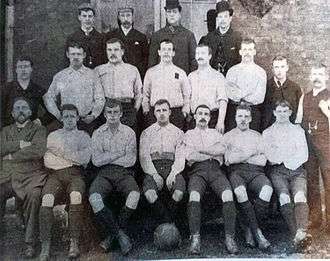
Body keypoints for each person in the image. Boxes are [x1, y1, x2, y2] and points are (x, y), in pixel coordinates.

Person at [39, 104, 91, 260]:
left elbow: (85, 159)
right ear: (61, 118)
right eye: (66, 116)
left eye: (72, 116)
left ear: (77, 118)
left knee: (76, 196)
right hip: (55, 175)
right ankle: (45, 247)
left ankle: (73, 243)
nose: (69, 119)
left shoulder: (84, 136)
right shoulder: (53, 136)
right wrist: (72, 158)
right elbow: (48, 160)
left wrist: (61, 154)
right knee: (47, 199)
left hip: (76, 175)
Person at [183, 105, 238, 254]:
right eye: (199, 113)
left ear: (209, 117)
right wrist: (210, 152)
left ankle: (229, 238)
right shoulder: (188, 134)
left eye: (206, 114)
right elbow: (189, 156)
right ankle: (195, 239)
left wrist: (200, 150)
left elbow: (221, 150)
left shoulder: (216, 133)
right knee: (194, 196)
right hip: (197, 171)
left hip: (215, 170)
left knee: (228, 194)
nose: (203, 116)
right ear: (194, 116)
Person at [88, 99, 140, 255]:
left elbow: (130, 160)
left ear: (121, 114)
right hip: (104, 173)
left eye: (115, 112)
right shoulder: (97, 133)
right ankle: (120, 235)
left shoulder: (129, 132)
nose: (112, 115)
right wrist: (118, 154)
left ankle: (112, 236)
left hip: (124, 172)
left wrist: (108, 156)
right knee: (94, 198)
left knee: (135, 195)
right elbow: (96, 161)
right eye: (109, 112)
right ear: (104, 114)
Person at [0, 97, 47, 258]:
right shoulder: (5, 130)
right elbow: (1, 148)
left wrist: (11, 156)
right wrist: (21, 144)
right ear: (12, 113)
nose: (21, 110)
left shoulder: (39, 130)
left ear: (30, 112)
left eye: (24, 107)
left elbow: (38, 150)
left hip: (31, 174)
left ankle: (30, 243)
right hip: (8, 175)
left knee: (34, 196)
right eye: (17, 108)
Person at [263, 100, 312, 250]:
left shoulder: (298, 131)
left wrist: (287, 159)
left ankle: (300, 233)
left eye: (285, 111)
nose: (282, 115)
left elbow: (303, 154)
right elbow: (270, 156)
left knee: (300, 197)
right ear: (274, 113)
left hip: (297, 170)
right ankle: (296, 234)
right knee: (284, 197)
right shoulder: (268, 132)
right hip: (278, 171)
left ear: (290, 112)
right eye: (279, 111)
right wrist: (283, 158)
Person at [224, 104, 272, 250]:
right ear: (235, 118)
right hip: (237, 172)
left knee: (267, 191)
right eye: (240, 116)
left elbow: (263, 160)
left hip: (257, 172)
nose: (243, 119)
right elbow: (229, 160)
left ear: (250, 118)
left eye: (246, 116)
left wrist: (241, 155)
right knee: (240, 192)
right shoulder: (228, 136)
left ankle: (249, 229)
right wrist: (251, 153)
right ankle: (258, 234)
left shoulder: (257, 136)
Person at [140, 99, 185, 226]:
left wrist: (173, 173)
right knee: (150, 194)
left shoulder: (178, 132)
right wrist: (154, 174)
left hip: (172, 166)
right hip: (153, 167)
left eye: (164, 110)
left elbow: (180, 157)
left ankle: (165, 225)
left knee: (179, 192)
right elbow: (144, 157)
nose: (161, 113)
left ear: (170, 112)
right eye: (158, 111)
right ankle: (168, 224)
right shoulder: (147, 133)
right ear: (154, 113)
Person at [44, 41, 105, 134]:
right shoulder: (60, 76)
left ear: (84, 55)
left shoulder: (93, 75)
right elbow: (48, 98)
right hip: (66, 121)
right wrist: (58, 115)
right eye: (73, 54)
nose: (76, 57)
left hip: (86, 122)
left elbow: (100, 98)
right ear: (68, 55)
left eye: (79, 54)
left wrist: (93, 115)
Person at [300, 63, 330, 230]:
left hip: (326, 145)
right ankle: (316, 218)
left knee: (329, 181)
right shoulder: (306, 96)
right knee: (311, 181)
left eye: (320, 74)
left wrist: (326, 110)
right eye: (314, 74)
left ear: (326, 77)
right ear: (310, 77)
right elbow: (299, 120)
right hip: (309, 144)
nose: (317, 77)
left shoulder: (329, 95)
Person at [95, 38, 142, 132]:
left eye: (116, 50)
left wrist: (134, 111)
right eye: (109, 50)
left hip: (127, 109)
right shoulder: (99, 70)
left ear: (122, 51)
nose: (112, 53)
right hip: (107, 108)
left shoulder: (132, 69)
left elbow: (139, 94)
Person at [143, 39, 191, 130]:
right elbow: (145, 94)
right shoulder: (151, 72)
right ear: (159, 52)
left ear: (173, 53)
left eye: (169, 50)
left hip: (175, 114)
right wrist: (146, 110)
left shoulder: (180, 73)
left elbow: (186, 94)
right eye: (164, 49)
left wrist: (185, 111)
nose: (166, 52)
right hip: (156, 113)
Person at [226, 38, 267, 132]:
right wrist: (248, 93)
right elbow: (230, 93)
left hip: (253, 112)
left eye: (250, 50)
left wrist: (240, 94)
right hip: (234, 111)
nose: (247, 53)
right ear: (240, 52)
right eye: (244, 50)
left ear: (254, 52)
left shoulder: (260, 72)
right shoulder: (232, 71)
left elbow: (259, 97)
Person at [148, 0, 197, 74]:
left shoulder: (188, 35)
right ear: (166, 14)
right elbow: (152, 61)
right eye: (169, 12)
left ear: (179, 14)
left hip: (182, 80)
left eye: (174, 12)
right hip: (162, 79)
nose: (171, 14)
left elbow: (193, 61)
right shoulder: (157, 35)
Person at [188, 44, 228, 132]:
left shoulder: (218, 76)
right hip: (195, 119)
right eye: (197, 53)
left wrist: (220, 122)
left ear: (209, 56)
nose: (200, 56)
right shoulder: (191, 76)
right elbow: (187, 98)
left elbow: (223, 100)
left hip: (212, 119)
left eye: (203, 53)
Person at [1, 56, 50, 127]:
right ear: (16, 70)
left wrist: (40, 121)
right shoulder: (5, 89)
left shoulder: (39, 90)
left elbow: (52, 112)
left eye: (26, 66)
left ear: (31, 69)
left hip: (30, 132)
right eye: (20, 67)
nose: (23, 70)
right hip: (9, 132)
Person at [105, 5, 148, 79]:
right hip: (115, 75)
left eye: (128, 15)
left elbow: (145, 59)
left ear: (133, 17)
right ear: (119, 17)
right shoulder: (110, 36)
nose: (125, 18)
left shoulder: (141, 37)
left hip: (134, 75)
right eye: (122, 16)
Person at [200, 1, 242, 75]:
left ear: (230, 18)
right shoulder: (209, 37)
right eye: (220, 16)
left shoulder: (237, 37)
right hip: (212, 77)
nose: (223, 20)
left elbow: (240, 61)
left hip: (231, 77)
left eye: (225, 16)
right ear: (217, 19)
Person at [262, 56, 302, 130]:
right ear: (272, 69)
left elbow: (299, 111)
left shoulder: (295, 88)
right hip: (269, 130)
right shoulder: (265, 86)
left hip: (290, 130)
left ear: (287, 68)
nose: (279, 70)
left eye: (282, 67)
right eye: (276, 67)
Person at [66, 3, 106, 68]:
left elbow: (104, 60)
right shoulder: (72, 38)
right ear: (79, 17)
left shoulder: (101, 38)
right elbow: (67, 61)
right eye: (84, 16)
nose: (87, 19)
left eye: (90, 16)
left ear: (93, 18)